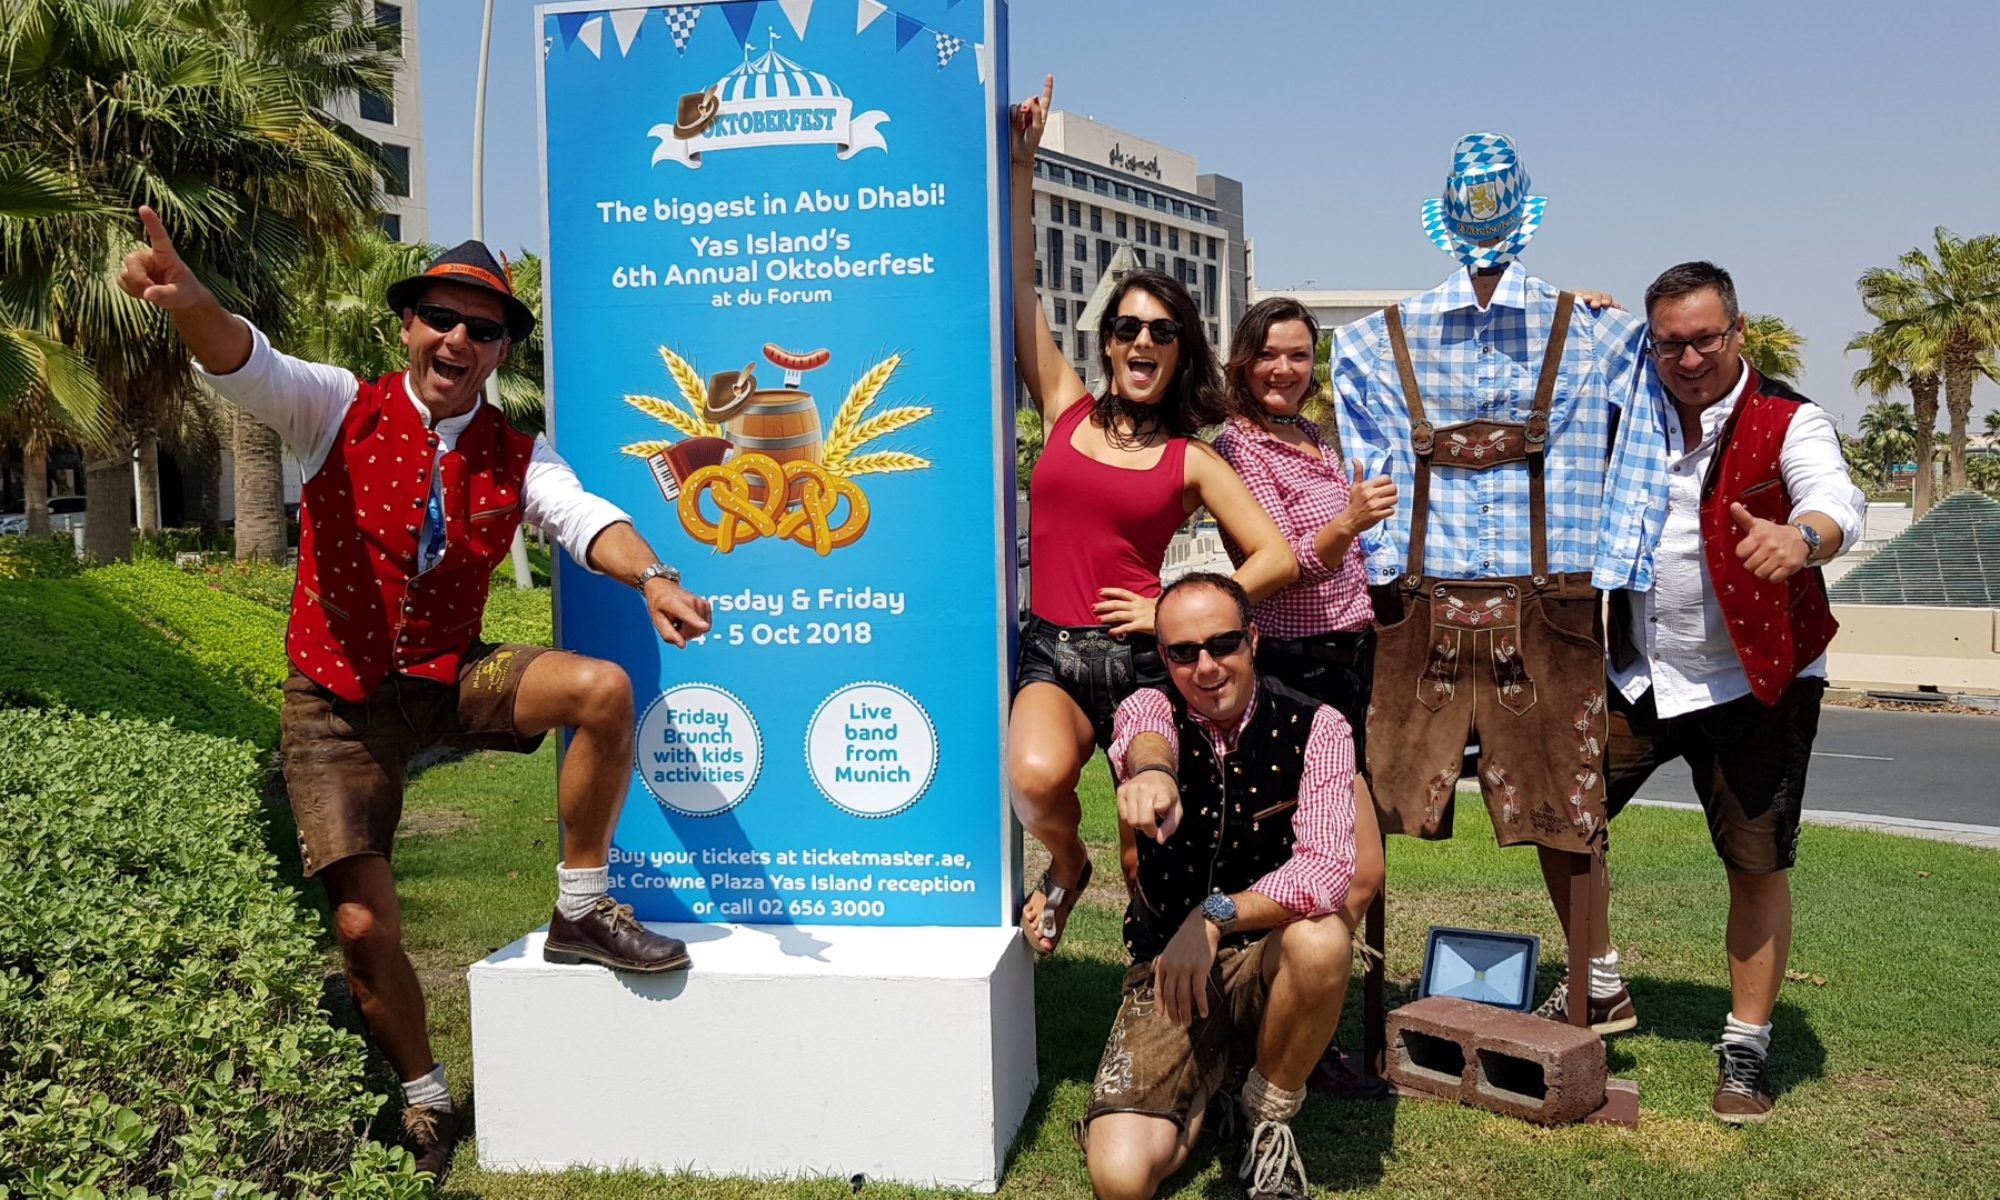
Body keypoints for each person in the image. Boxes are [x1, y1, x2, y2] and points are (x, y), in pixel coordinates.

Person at [119, 207, 715, 1177]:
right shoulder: (335, 408)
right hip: (336, 701)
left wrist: (650, 576)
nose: (458, 339)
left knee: (601, 689)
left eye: (482, 329)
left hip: (445, 676)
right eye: (441, 317)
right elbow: (248, 363)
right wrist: (191, 303)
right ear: (408, 327)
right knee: (360, 926)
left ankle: (580, 906)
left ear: (500, 352)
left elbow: (584, 516)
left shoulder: (517, 456)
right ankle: (425, 1093)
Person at [1333, 132, 1668, 1037]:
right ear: (1527, 217)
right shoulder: (1378, 346)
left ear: (1443, 222)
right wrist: (1612, 565)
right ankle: (1591, 986)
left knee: (1566, 799)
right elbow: (1642, 449)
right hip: (1509, 598)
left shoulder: (1380, 343)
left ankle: (1580, 991)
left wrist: (1614, 561)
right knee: (1554, 805)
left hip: (1468, 599)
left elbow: (1640, 438)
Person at [1008, 78, 1297, 955]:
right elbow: (1021, 289)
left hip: (1141, 661)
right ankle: (1065, 866)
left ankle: (1154, 983)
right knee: (1033, 779)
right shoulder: (1062, 405)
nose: (1142, 342)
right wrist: (1023, 170)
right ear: (1107, 341)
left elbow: (1275, 557)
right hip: (1054, 648)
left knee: (1155, 843)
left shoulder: (1191, 459)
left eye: (1162, 333)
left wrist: (1168, 613)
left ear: (1181, 353)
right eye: (1129, 327)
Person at [1594, 261, 1864, 1123]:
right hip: (1637, 673)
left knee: (1755, 866)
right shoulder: (1624, 409)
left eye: (1706, 338)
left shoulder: (1789, 418)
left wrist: (1802, 537)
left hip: (1757, 680)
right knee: (1562, 818)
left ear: (1738, 333)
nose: (1688, 356)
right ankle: (1597, 980)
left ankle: (1745, 1047)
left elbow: (1837, 498)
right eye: (1670, 341)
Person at [1086, 572, 1355, 1200]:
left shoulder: (1319, 727)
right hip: (1169, 971)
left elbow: (1327, 872)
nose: (1205, 667)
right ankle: (1213, 1081)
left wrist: (1212, 917)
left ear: (1253, 639)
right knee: (1121, 1178)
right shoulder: (1148, 707)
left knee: (1322, 940)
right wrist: (1154, 775)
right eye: (1181, 652)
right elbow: (1147, 739)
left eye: (1223, 644)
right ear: (1164, 657)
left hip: (1265, 955)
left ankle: (1266, 1120)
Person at [1211, 297, 1395, 1097]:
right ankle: (1287, 1034)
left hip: (1348, 661)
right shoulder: (1236, 446)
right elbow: (1286, 561)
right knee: (1339, 869)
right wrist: (1349, 522)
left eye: (1298, 355)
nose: (1285, 369)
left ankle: (1295, 1024)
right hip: (1291, 666)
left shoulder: (1314, 437)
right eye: (1270, 355)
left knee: (1345, 870)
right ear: (1244, 361)